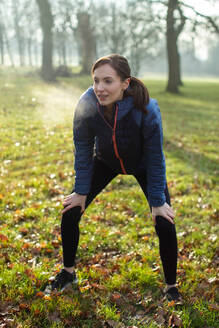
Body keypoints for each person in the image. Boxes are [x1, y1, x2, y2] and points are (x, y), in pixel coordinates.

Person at [47, 54, 181, 302]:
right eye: (96, 81)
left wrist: (157, 200)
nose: (100, 88)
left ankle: (171, 287)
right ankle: (68, 273)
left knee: (164, 220)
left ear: (125, 83)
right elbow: (84, 150)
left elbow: (155, 156)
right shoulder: (86, 104)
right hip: (106, 161)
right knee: (70, 210)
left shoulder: (147, 108)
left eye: (108, 81)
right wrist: (80, 190)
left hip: (142, 165)